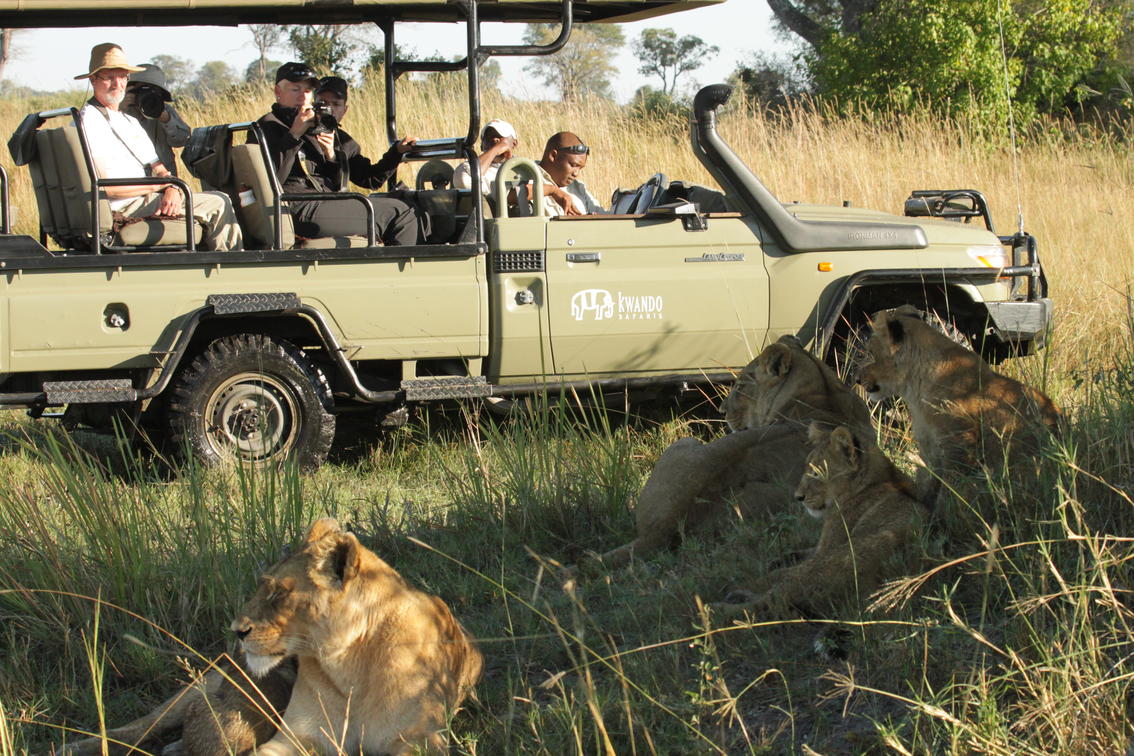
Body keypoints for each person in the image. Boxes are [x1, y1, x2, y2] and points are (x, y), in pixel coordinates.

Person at [75, 43, 242, 251]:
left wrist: (171, 187)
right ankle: (232, 275)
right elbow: (107, 187)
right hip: (124, 206)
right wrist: (159, 187)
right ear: (93, 80)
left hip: (145, 197)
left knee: (203, 199)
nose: (117, 84)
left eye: (123, 76)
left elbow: (161, 167)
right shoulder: (89, 121)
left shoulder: (128, 121)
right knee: (219, 202)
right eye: (109, 77)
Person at [251, 64, 418, 245]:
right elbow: (270, 180)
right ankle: (407, 272)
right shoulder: (265, 127)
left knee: (405, 207)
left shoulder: (322, 128)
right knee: (402, 213)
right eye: (295, 89)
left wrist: (395, 153)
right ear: (278, 91)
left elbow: (369, 179)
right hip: (294, 207)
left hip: (323, 203)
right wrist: (294, 135)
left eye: (308, 90)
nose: (302, 96)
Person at [122, 63, 190, 177]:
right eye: (140, 89)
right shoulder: (118, 111)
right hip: (131, 180)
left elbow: (182, 140)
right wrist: (121, 107)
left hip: (164, 180)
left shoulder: (164, 110)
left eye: (152, 89)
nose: (146, 93)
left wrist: (165, 118)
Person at [520, 131, 605, 217]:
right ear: (553, 156)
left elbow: (604, 216)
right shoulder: (526, 176)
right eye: (573, 165)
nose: (576, 173)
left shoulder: (578, 188)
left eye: (580, 168)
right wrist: (552, 191)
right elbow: (509, 194)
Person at [452, 119, 518, 194]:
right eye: (489, 137)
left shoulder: (525, 166)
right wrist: (495, 150)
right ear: (482, 146)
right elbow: (462, 180)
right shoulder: (474, 168)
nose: (494, 139)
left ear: (514, 143)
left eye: (501, 136)